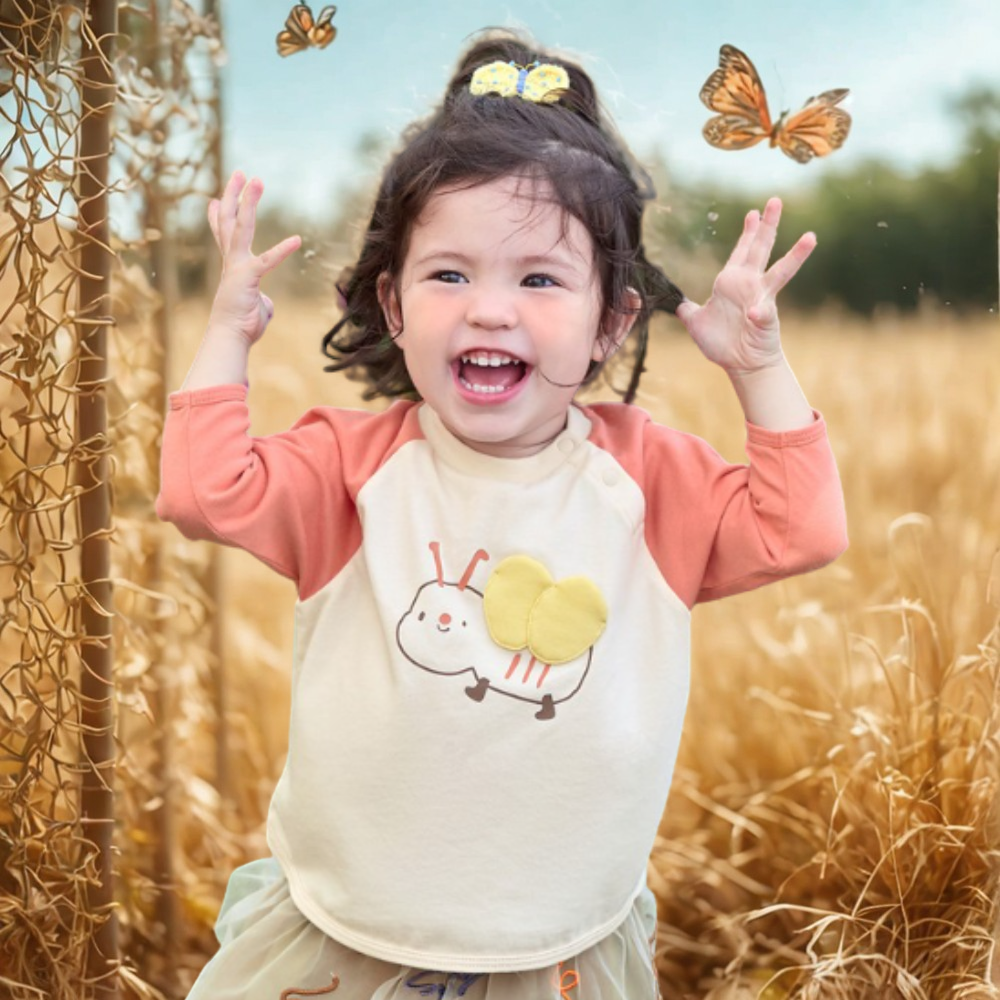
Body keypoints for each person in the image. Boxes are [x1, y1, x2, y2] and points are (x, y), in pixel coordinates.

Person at [156, 28, 848, 1000]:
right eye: (449, 274)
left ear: (612, 319)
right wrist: (226, 331)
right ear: (393, 305)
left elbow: (801, 528)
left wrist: (759, 366)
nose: (488, 309)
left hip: (556, 958)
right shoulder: (354, 469)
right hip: (339, 946)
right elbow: (199, 488)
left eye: (538, 278)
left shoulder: (646, 480)